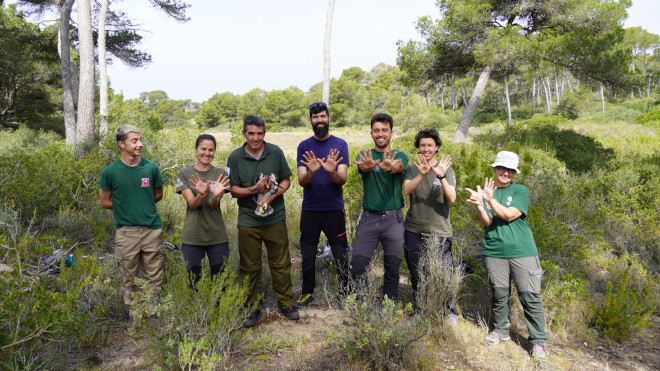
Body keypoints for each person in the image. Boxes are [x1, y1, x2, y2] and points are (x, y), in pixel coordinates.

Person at [466, 151, 548, 360]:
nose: (505, 173)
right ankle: (501, 329)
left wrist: (490, 200)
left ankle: (538, 341)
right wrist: (479, 204)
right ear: (494, 169)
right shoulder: (488, 191)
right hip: (494, 251)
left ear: (514, 173)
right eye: (502, 168)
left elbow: (509, 215)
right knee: (499, 294)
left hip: (522, 251)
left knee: (529, 297)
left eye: (510, 170)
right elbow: (487, 222)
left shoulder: (520, 190)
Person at [227, 115, 299, 327]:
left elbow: (286, 179)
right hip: (248, 219)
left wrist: (272, 194)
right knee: (250, 266)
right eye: (251, 133)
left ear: (264, 134)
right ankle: (251, 308)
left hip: (275, 217)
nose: (255, 138)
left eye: (259, 133)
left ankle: (286, 303)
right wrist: (255, 190)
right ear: (244, 134)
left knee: (281, 263)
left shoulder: (275, 152)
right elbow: (232, 190)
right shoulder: (235, 157)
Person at [99, 124, 165, 317]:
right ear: (122, 144)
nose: (140, 144)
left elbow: (158, 194)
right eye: (134, 141)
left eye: (140, 140)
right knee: (130, 277)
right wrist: (126, 206)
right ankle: (136, 316)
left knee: (154, 275)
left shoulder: (150, 168)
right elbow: (105, 202)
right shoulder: (110, 172)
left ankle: (152, 313)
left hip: (151, 230)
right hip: (126, 233)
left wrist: (141, 205)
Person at [295, 102, 350, 307]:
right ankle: (307, 293)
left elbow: (341, 179)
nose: (320, 120)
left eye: (323, 116)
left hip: (334, 209)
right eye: (315, 117)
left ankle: (345, 293)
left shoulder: (340, 144)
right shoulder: (304, 146)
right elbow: (302, 181)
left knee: (341, 255)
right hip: (310, 210)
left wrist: (330, 170)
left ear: (328, 118)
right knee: (307, 256)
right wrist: (312, 171)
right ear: (310, 120)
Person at [402, 129, 458, 323]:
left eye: (430, 145)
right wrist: (421, 174)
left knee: (444, 274)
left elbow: (452, 197)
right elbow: (406, 190)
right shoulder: (411, 168)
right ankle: (420, 311)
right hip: (414, 229)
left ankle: (450, 311)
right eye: (422, 145)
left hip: (440, 230)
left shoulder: (447, 170)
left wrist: (440, 177)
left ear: (437, 147)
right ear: (418, 147)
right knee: (417, 273)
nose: (426, 149)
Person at [351, 113, 409, 300]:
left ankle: (388, 307)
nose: (380, 134)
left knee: (392, 268)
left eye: (385, 130)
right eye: (376, 130)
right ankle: (361, 305)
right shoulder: (365, 155)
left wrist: (392, 167)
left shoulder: (400, 155)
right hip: (369, 218)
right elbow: (362, 167)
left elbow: (399, 167)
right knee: (359, 265)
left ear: (392, 132)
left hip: (393, 219)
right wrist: (366, 167)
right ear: (371, 133)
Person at [175, 134, 231, 289]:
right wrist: (201, 194)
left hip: (217, 234)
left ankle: (219, 312)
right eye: (203, 149)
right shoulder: (185, 173)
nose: (207, 153)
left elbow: (213, 205)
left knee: (220, 279)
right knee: (194, 280)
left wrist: (214, 194)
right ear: (196, 150)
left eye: (211, 150)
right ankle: (196, 312)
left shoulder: (220, 174)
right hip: (193, 235)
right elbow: (193, 205)